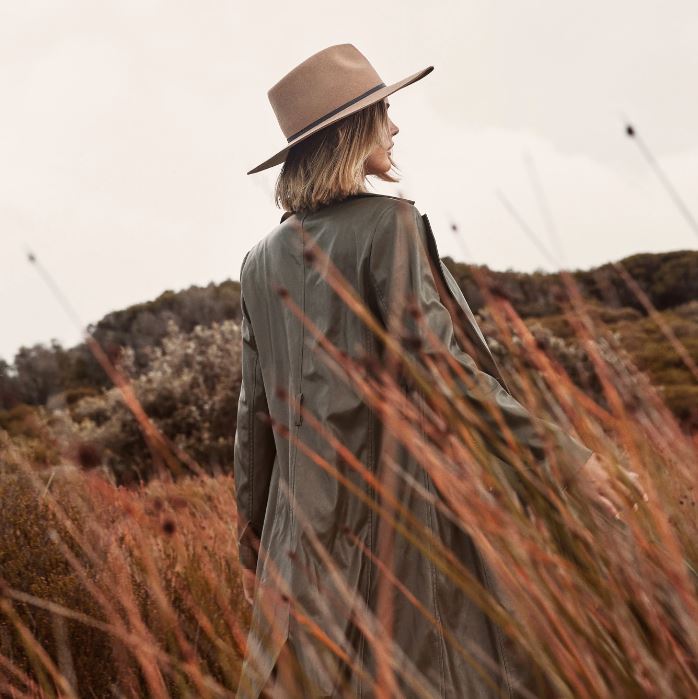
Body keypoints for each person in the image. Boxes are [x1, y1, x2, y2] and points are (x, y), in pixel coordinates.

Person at [234, 43, 622, 699]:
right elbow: (446, 371)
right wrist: (562, 455)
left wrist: (257, 544)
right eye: (383, 111)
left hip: (295, 553)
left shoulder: (257, 260)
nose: (394, 125)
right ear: (349, 132)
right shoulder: (390, 226)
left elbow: (254, 422)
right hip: (398, 539)